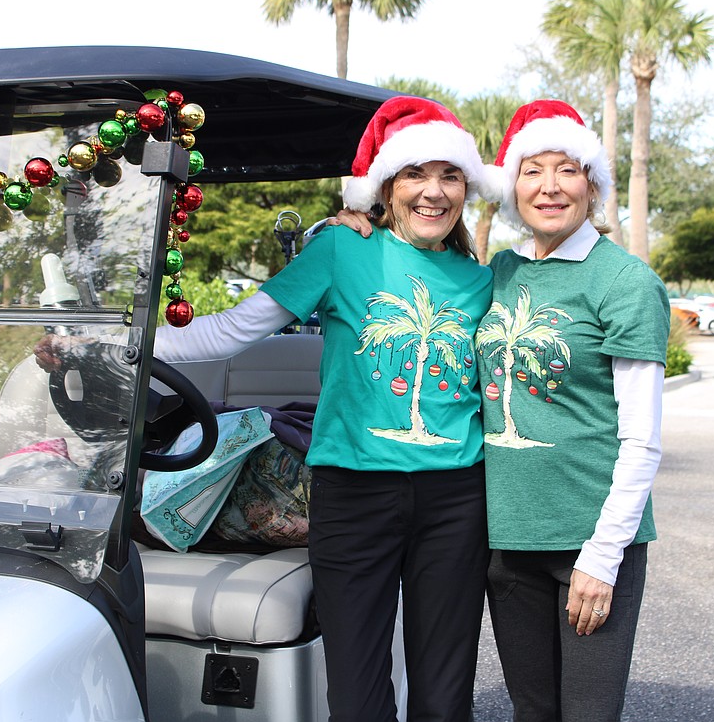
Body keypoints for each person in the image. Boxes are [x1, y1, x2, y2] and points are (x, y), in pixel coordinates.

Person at [151, 96, 494, 722]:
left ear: (466, 189)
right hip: (354, 498)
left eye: (450, 176)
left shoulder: (482, 280)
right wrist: (125, 341)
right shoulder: (341, 251)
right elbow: (229, 332)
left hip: (455, 503)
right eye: (417, 173)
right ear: (387, 187)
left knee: (444, 702)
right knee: (358, 700)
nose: (434, 192)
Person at [476, 99, 669, 722]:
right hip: (508, 544)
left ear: (592, 184)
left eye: (567, 169)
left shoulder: (624, 281)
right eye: (532, 170)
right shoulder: (500, 272)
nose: (550, 186)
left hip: (589, 544)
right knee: (532, 712)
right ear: (512, 186)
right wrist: (361, 217)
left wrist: (603, 555)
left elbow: (642, 439)